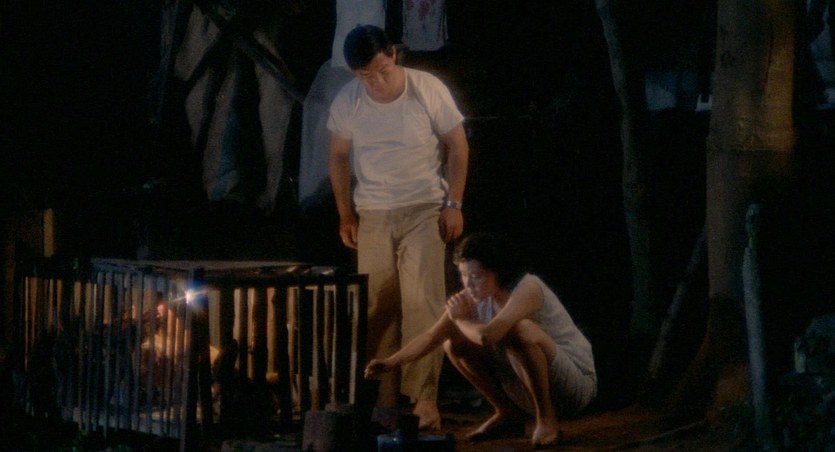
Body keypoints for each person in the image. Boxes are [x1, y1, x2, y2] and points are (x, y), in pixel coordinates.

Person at [327, 24, 469, 430]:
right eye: (365, 76)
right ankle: (384, 400)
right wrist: (345, 214)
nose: (376, 81)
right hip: (373, 212)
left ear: (393, 54)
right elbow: (338, 156)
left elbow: (458, 145)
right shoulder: (348, 100)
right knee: (376, 306)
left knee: (422, 302)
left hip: (423, 208)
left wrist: (453, 203)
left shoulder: (426, 88)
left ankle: (424, 400)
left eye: (381, 70)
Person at [364, 233, 597, 447]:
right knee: (452, 343)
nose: (468, 284)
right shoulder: (473, 296)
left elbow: (488, 336)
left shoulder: (528, 289)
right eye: (464, 275)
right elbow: (431, 336)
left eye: (476, 276)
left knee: (519, 329)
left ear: (498, 272)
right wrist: (391, 362)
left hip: (573, 387)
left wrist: (459, 319)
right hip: (523, 389)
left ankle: (546, 419)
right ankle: (507, 413)